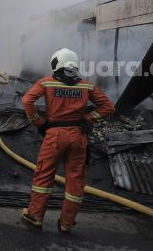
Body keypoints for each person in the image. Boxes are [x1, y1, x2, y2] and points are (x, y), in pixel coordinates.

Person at [20, 48, 114, 233]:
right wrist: (88, 119)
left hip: (55, 135)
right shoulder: (86, 86)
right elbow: (108, 107)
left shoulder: (46, 83)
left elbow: (27, 101)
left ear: (57, 63)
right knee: (75, 180)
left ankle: (35, 216)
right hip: (79, 136)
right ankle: (66, 223)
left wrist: (39, 122)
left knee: (44, 176)